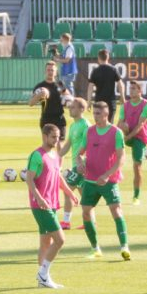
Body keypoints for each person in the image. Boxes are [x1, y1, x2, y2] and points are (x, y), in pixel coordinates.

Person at [26, 123, 78, 289]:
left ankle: (43, 278)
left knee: (45, 242)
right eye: (53, 137)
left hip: (53, 204)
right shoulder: (36, 156)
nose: (56, 141)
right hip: (41, 206)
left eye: (58, 137)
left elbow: (58, 177)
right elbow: (29, 179)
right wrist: (39, 198)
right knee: (60, 240)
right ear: (44, 136)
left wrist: (70, 193)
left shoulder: (55, 155)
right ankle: (42, 274)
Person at [78, 101, 130, 260]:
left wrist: (107, 175)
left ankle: (124, 247)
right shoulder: (89, 131)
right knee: (86, 213)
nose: (95, 116)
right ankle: (95, 249)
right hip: (90, 181)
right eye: (94, 113)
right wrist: (79, 162)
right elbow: (80, 153)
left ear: (106, 115)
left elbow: (121, 159)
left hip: (109, 181)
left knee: (116, 210)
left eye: (98, 114)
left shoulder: (116, 133)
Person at [117, 80, 147, 206]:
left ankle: (136, 196)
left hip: (139, 138)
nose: (130, 91)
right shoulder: (125, 105)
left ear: (139, 91)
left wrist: (126, 139)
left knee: (137, 167)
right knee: (124, 125)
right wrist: (117, 136)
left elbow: (140, 125)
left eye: (133, 88)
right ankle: (116, 171)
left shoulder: (146, 105)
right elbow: (119, 123)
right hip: (127, 134)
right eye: (130, 88)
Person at [57, 96, 90, 230]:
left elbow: (88, 145)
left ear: (82, 109)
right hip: (77, 165)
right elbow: (68, 145)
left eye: (73, 107)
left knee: (67, 189)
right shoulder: (73, 125)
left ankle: (66, 222)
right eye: (69, 107)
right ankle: (90, 221)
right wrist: (55, 157)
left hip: (83, 165)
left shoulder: (86, 125)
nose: (69, 109)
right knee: (84, 195)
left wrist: (82, 161)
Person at [29, 61, 68, 139]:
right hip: (46, 119)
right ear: (45, 71)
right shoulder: (40, 86)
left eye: (52, 70)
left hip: (59, 118)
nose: (50, 72)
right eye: (48, 70)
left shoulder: (60, 84)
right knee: (46, 145)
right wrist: (39, 95)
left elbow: (68, 97)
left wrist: (67, 100)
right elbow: (31, 103)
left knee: (60, 145)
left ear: (56, 72)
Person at [86, 49, 124, 123]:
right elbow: (120, 84)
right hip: (110, 101)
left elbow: (90, 87)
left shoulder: (95, 71)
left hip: (99, 101)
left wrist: (89, 101)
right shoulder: (113, 69)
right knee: (110, 123)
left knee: (99, 123)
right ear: (108, 57)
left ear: (99, 58)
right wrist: (122, 97)